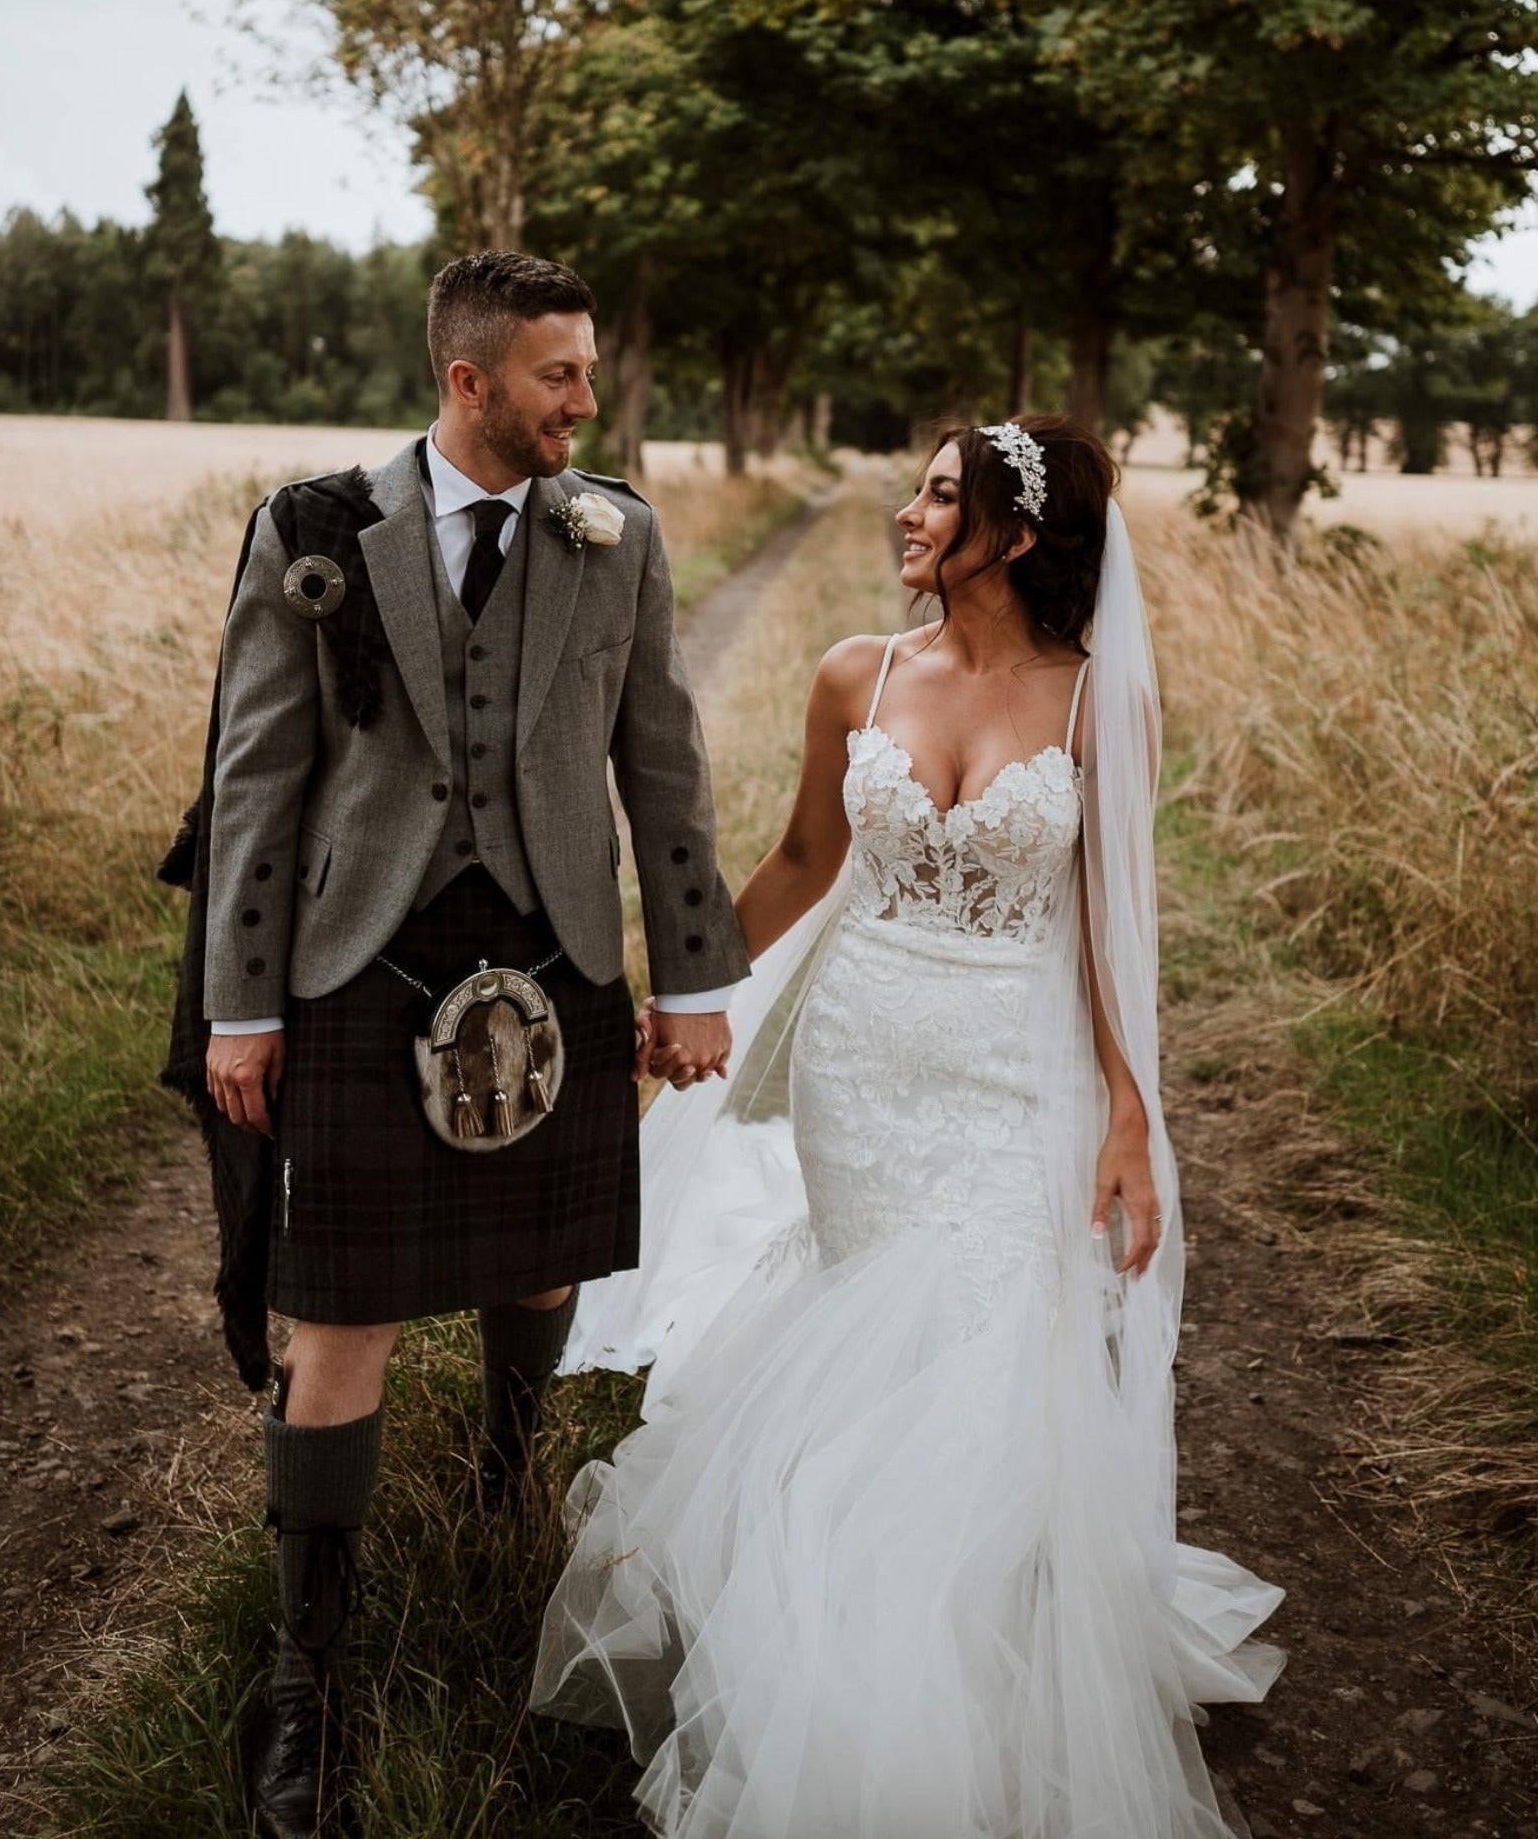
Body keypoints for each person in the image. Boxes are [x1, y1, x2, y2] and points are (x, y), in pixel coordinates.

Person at [533, 416, 1285, 1839]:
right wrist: (682, 994)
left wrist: (1130, 1111)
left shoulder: (1097, 702)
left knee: (991, 1339)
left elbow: (1113, 926)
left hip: (1019, 1068)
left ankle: (954, 1661)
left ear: (1017, 534)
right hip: (863, 1060)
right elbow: (802, 860)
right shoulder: (856, 675)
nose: (909, 512)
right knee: (876, 1317)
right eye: (918, 489)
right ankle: (836, 1624)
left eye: (943, 496)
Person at [171, 250, 749, 1839]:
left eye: (590, 370)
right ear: (468, 379)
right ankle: (310, 1679)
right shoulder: (314, 530)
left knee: (544, 1269)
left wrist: (694, 976)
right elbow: (255, 778)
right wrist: (240, 1006)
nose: (587, 400)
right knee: (340, 1319)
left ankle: (503, 1466)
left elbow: (665, 761)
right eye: (560, 374)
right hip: (361, 961)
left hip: (558, 947)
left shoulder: (614, 533)